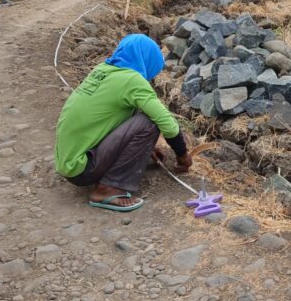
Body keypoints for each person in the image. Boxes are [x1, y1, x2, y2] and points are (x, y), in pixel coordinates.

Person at [55, 34, 193, 212]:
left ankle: (107, 176)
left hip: (69, 161)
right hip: (82, 169)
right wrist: (182, 154)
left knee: (135, 111)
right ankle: (107, 189)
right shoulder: (131, 80)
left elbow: (111, 118)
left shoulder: (103, 70)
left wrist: (143, 149)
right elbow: (166, 121)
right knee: (149, 121)